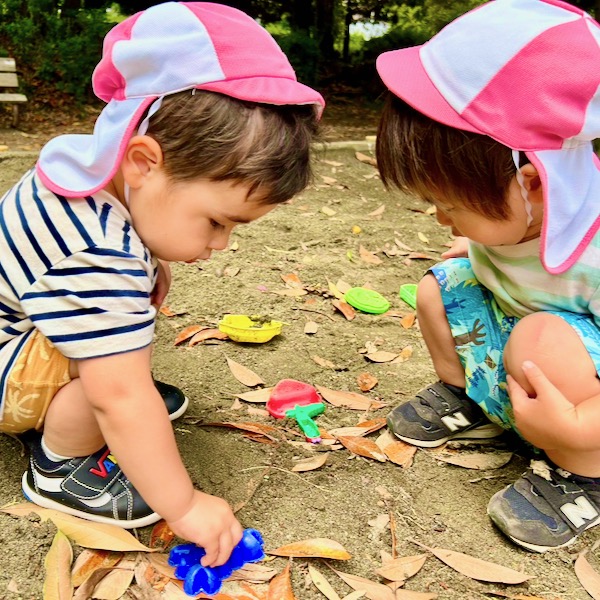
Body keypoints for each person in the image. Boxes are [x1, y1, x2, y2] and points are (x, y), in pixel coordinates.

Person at [0, 1, 324, 567]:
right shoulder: (98, 249)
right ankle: (58, 463)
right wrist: (183, 504)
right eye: (217, 222)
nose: (222, 243)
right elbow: (120, 395)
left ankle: (72, 410)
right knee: (116, 386)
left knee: (121, 361)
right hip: (8, 369)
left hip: (15, 332)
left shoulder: (87, 173)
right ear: (145, 162)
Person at [375, 0, 600, 553]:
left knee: (539, 340)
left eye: (450, 203)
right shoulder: (512, 216)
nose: (439, 216)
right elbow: (477, 249)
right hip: (517, 354)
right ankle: (470, 397)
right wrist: (466, 243)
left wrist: (583, 426)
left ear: (534, 184)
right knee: (440, 284)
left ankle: (583, 474)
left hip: (577, 392)